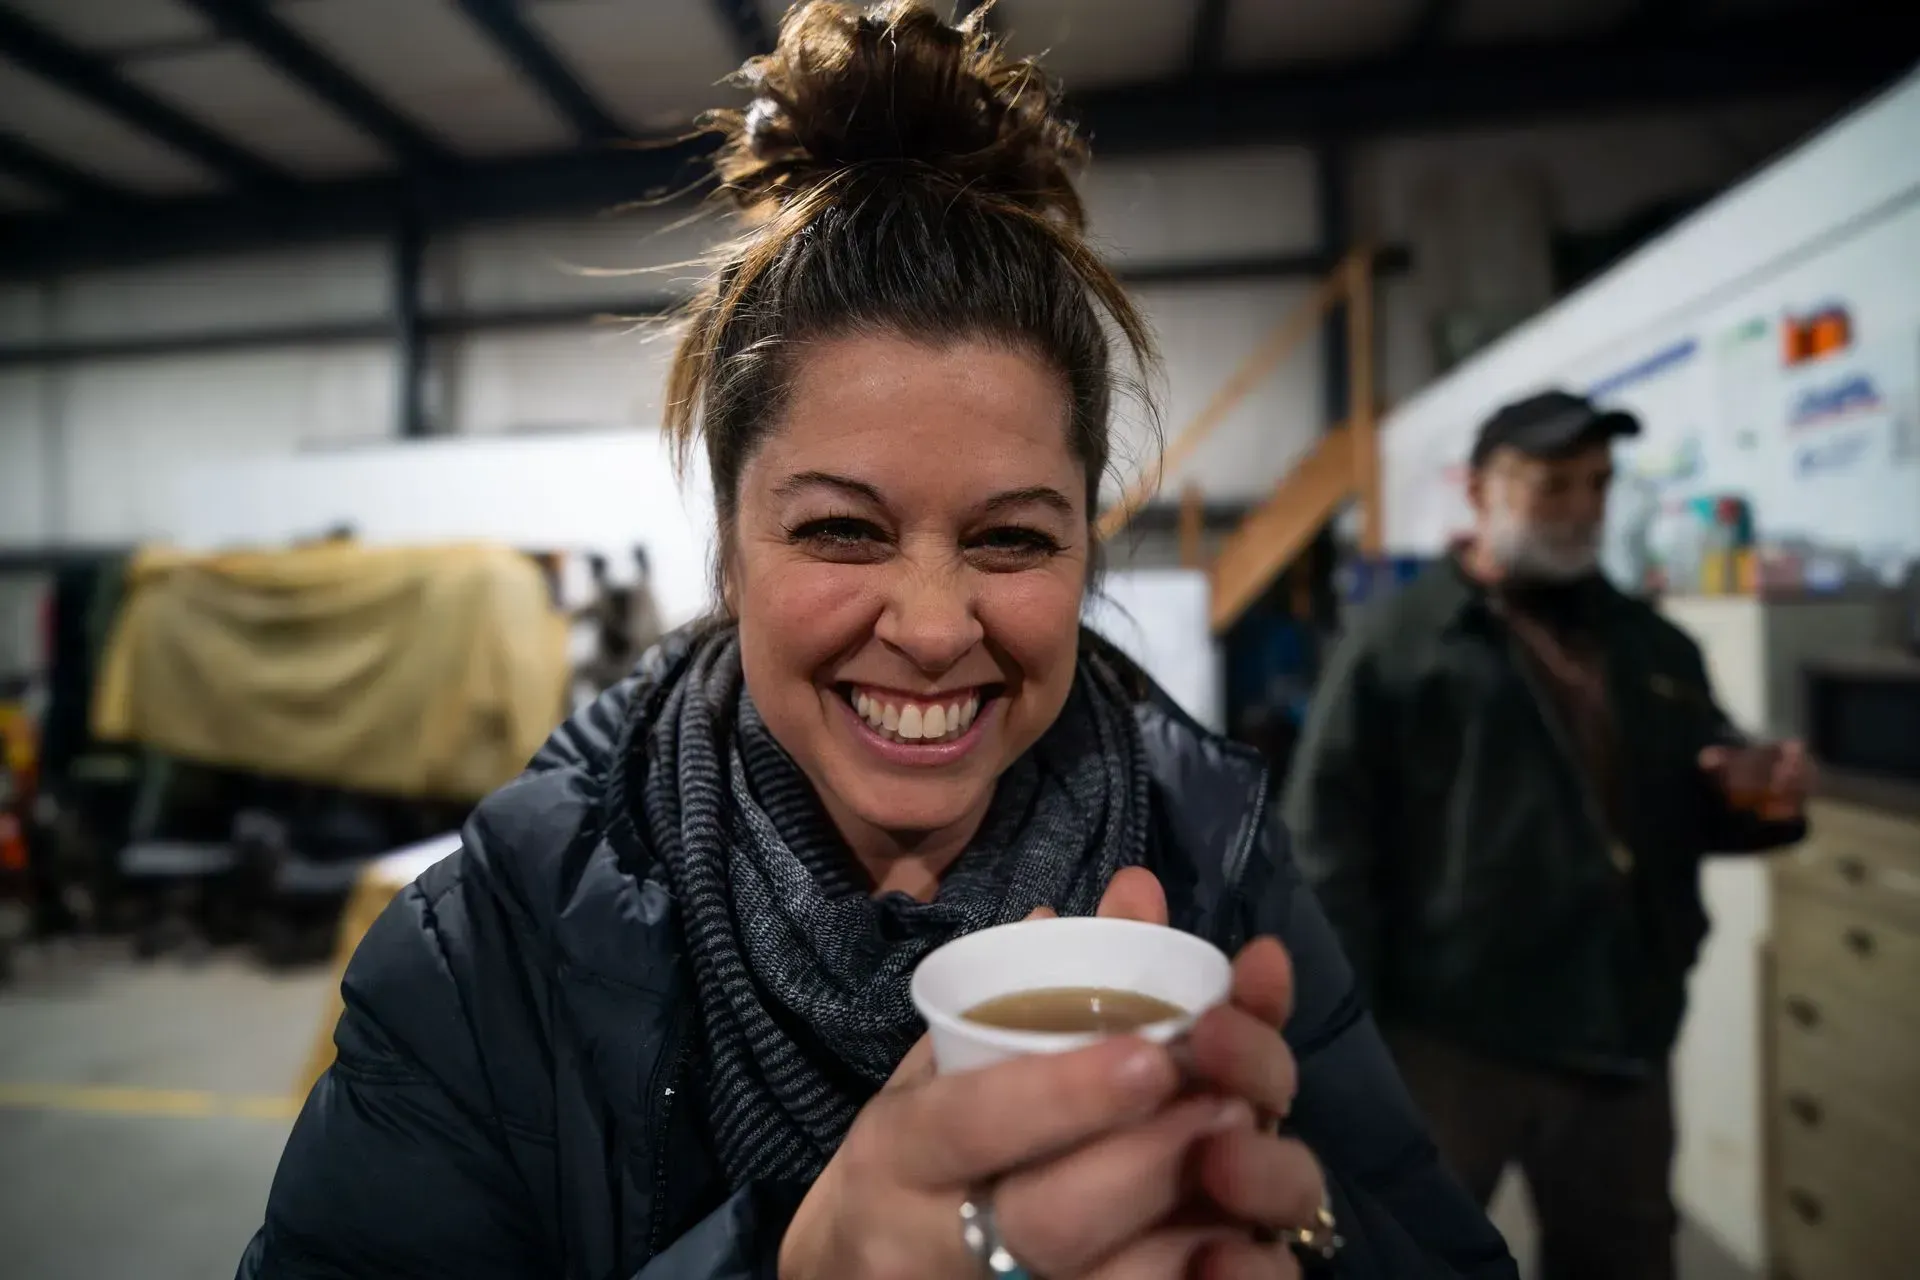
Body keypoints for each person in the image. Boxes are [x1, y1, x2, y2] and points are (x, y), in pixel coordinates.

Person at [238, 5, 1516, 1278]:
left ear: (1083, 551)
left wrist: (1293, 1232)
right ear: (732, 555)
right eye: (843, 531)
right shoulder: (488, 953)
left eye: (1012, 540)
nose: (930, 625)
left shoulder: (1217, 871)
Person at [1285, 389, 1812, 1280]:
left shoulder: (1655, 649)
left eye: (1598, 485)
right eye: (1551, 486)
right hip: (1449, 1044)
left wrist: (1759, 798)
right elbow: (1328, 847)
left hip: (1621, 1037)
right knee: (1406, 1259)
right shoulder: (1397, 647)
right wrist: (1345, 1043)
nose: (1581, 509)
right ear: (1478, 491)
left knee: (1626, 1257)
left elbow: (1685, 807)